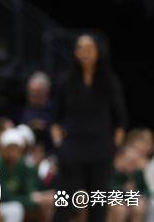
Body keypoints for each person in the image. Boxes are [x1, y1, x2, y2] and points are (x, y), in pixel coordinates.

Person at [52, 33, 128, 222]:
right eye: (80, 48)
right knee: (63, 204)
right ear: (75, 52)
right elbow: (54, 120)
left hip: (101, 150)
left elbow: (120, 121)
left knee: (98, 206)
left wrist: (113, 148)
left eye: (89, 48)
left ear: (98, 52)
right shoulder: (65, 82)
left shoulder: (110, 82)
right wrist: (60, 145)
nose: (84, 52)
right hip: (71, 149)